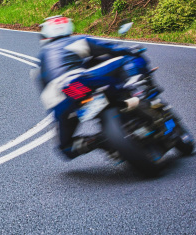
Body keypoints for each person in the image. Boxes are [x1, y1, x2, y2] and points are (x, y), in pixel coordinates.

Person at [38, 15, 146, 160]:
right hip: (78, 83)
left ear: (45, 34)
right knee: (125, 60)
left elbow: (44, 93)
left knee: (65, 148)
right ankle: (137, 88)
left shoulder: (40, 61)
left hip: (63, 100)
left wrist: (57, 118)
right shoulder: (77, 40)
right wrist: (131, 51)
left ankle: (100, 141)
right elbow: (110, 49)